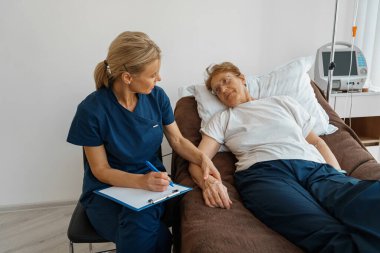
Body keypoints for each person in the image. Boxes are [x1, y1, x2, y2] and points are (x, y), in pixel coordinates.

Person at [188, 62, 380, 253]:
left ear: (242, 78)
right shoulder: (222, 119)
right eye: (217, 90)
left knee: (369, 200)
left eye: (226, 81)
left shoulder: (283, 102)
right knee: (321, 228)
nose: (223, 89)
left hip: (314, 168)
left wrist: (338, 174)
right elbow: (198, 159)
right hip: (264, 175)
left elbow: (317, 142)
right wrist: (208, 184)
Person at [67, 31, 219, 253]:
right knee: (148, 231)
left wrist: (202, 157)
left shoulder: (157, 97)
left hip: (155, 187)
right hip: (106, 192)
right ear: (128, 77)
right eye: (153, 74)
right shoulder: (91, 110)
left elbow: (177, 140)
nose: (159, 79)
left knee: (139, 224)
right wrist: (141, 182)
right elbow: (100, 170)